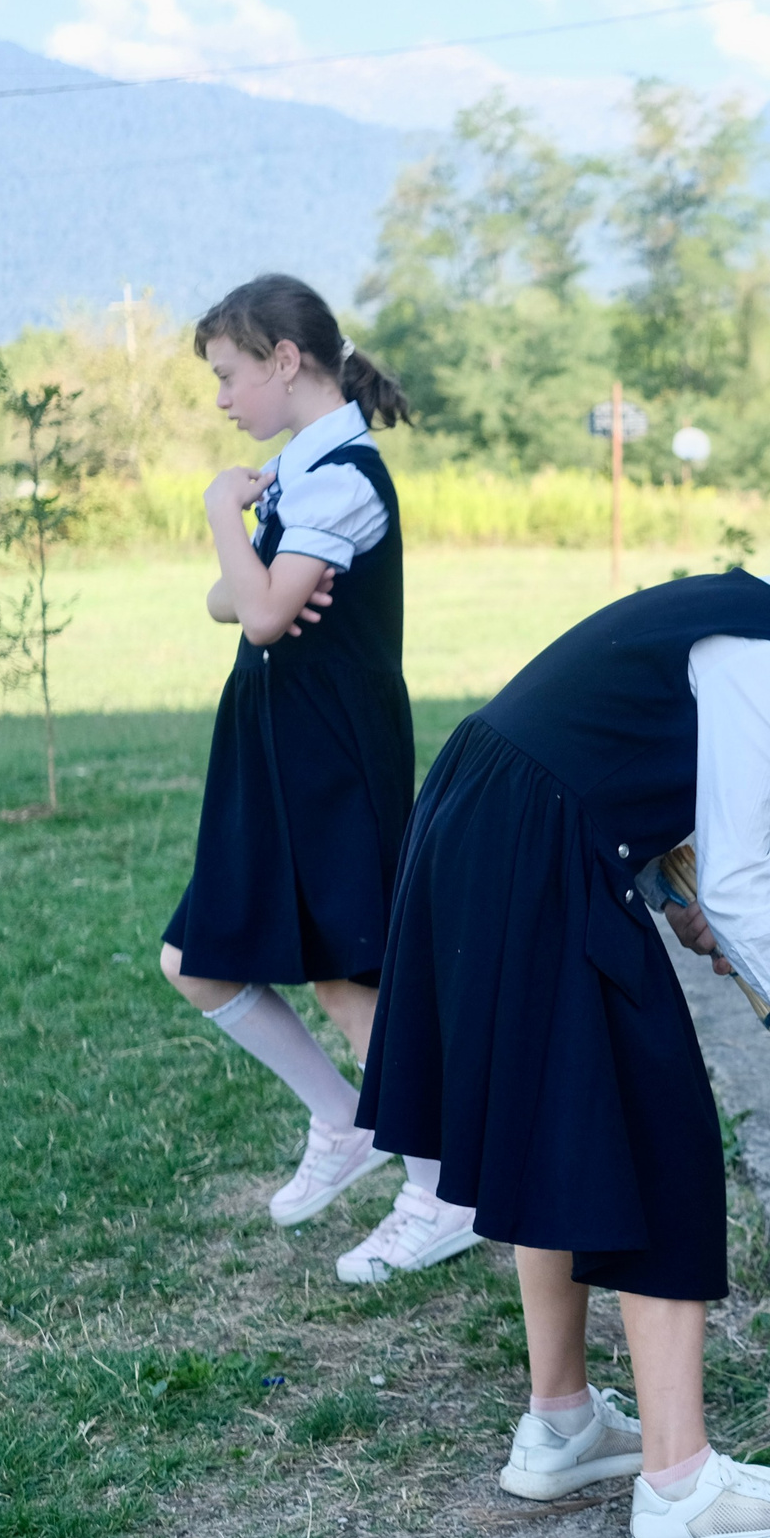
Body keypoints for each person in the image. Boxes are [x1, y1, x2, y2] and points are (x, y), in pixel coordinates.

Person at [355, 438, 770, 1538]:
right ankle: (682, 1490)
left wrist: (663, 883)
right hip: (531, 852)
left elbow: (615, 755)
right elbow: (742, 878)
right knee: (658, 1140)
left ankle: (562, 1425)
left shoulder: (731, 608)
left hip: (489, 830)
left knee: (562, 1132)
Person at [159, 273, 478, 1288]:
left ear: (286, 360)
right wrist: (253, 571)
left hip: (332, 754)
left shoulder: (341, 478)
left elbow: (257, 613)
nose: (222, 399)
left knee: (348, 972)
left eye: (228, 375)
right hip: (270, 747)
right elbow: (231, 599)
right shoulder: (297, 475)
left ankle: (444, 1189)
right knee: (193, 959)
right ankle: (346, 1122)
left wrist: (224, 511)